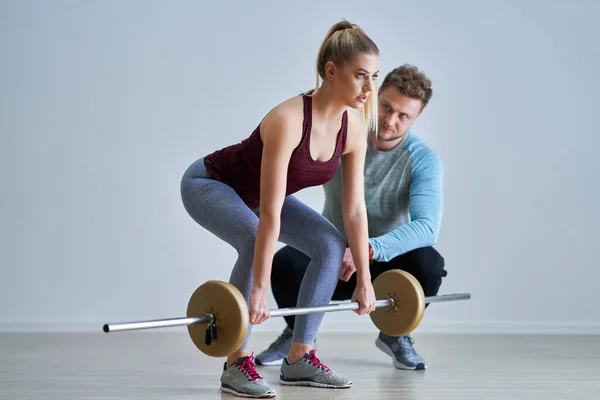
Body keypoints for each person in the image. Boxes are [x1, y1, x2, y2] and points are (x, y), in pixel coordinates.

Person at [180, 20, 381, 398]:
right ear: (331, 71)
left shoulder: (353, 128)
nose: (370, 88)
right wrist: (258, 290)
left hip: (259, 197)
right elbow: (269, 215)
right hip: (211, 185)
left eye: (374, 76)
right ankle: (237, 362)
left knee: (329, 244)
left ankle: (300, 357)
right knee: (254, 237)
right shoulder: (287, 120)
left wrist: (365, 280)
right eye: (360, 76)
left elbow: (354, 210)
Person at [256, 64, 446, 371]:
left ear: (416, 117)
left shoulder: (423, 160)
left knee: (430, 264)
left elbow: (426, 228)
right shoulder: (342, 135)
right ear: (376, 95)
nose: (389, 120)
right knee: (285, 264)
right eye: (386, 106)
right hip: (331, 253)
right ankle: (297, 335)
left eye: (403, 115)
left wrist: (367, 250)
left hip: (385, 260)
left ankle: (396, 334)